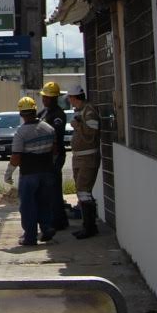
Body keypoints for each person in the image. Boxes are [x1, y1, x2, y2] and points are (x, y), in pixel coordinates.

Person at [4, 96, 57, 246]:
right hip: (47, 172)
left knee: (28, 206)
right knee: (44, 202)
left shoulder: (21, 133)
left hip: (29, 174)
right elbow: (54, 150)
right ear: (35, 111)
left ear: (21, 114)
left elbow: (16, 157)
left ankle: (30, 237)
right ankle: (47, 229)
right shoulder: (49, 128)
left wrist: (8, 173)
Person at [68, 84, 101, 239]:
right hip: (79, 157)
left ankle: (90, 227)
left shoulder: (89, 111)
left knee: (84, 192)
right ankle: (86, 225)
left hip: (88, 158)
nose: (69, 101)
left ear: (74, 98)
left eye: (70, 98)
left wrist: (78, 125)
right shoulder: (81, 111)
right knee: (81, 191)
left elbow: (92, 133)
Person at [38, 81, 69, 231]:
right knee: (47, 189)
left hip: (54, 156)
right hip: (45, 156)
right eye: (43, 97)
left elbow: (55, 135)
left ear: (54, 98)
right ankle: (52, 218)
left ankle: (59, 220)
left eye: (47, 97)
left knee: (54, 188)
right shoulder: (44, 112)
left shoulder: (58, 115)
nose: (44, 99)